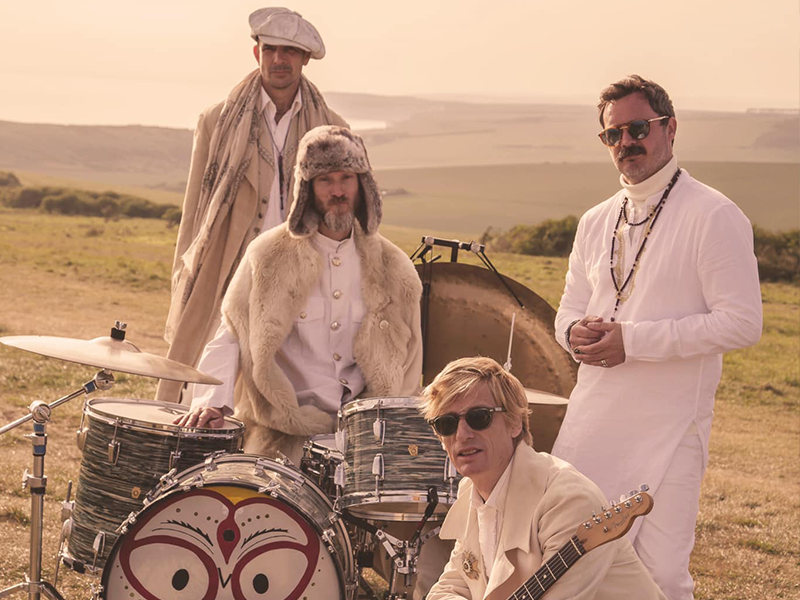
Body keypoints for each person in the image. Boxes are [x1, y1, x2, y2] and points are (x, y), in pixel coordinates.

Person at [551, 75, 762, 600]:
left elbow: (742, 322)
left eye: (638, 128)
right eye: (613, 135)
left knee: (660, 576)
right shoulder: (595, 221)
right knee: (575, 564)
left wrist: (633, 341)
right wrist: (573, 332)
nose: (626, 142)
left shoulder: (714, 215)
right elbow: (569, 308)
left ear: (670, 128)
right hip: (594, 416)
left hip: (672, 426)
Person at [174, 125, 421, 461]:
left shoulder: (395, 268)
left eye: (346, 178)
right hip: (279, 436)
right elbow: (232, 332)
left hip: (362, 441)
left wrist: (391, 435)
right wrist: (211, 403)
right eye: (325, 180)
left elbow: (410, 362)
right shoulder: (267, 255)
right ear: (307, 188)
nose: (337, 191)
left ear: (363, 184)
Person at [158, 7, 348, 404]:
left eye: (289, 51)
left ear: (305, 58)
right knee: (208, 375)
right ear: (257, 52)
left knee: (295, 383)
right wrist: (186, 271)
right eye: (271, 49)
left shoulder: (333, 128)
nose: (279, 59)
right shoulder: (217, 120)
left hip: (301, 267)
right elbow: (195, 210)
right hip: (228, 260)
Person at [420, 356, 666, 600]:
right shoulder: (471, 492)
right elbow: (449, 588)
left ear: (514, 423)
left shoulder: (568, 500)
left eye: (479, 417)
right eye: (446, 424)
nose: (462, 434)